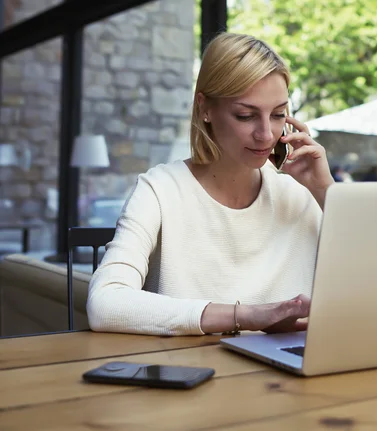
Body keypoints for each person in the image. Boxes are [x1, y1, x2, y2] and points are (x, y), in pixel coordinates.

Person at [86, 33, 335, 337]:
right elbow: (105, 303)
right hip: (192, 373)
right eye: (246, 115)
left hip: (289, 379)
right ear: (205, 108)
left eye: (279, 114)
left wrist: (326, 192)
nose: (266, 134)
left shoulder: (303, 196)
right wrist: (248, 316)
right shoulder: (161, 190)